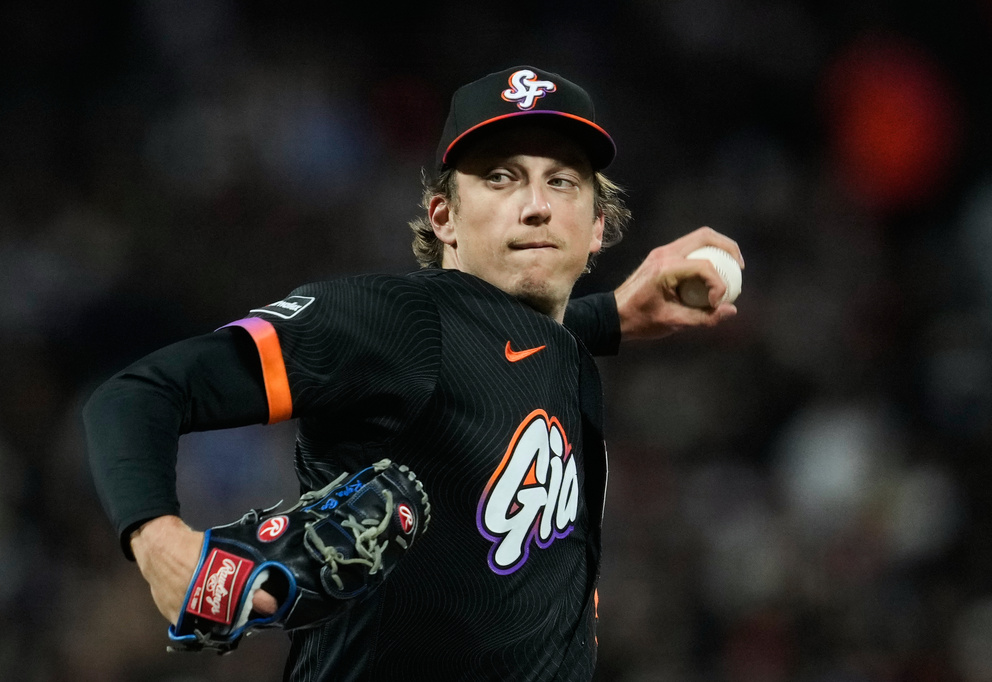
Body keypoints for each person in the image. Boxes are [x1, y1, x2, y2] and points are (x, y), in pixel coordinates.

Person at [84, 65, 742, 680]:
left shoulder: (564, 351)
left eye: (562, 179)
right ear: (444, 218)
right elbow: (136, 395)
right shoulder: (394, 320)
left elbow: (521, 345)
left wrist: (619, 314)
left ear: (597, 227)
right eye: (501, 177)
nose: (536, 205)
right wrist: (158, 539)